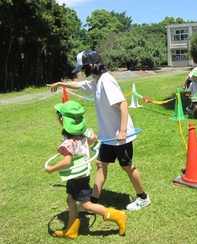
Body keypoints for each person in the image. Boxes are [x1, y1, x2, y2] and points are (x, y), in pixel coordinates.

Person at [48, 50, 151, 211]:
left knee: (127, 167)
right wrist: (61, 84)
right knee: (100, 165)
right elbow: (79, 85)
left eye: (83, 69)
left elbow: (123, 104)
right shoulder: (96, 81)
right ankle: (93, 201)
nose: (82, 72)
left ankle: (143, 197)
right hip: (107, 136)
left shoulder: (106, 81)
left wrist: (123, 130)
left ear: (90, 66)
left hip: (119, 136)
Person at [45, 101, 127, 238]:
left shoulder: (68, 143)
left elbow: (66, 161)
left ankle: (118, 216)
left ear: (62, 120)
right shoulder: (85, 133)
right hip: (81, 173)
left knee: (87, 205)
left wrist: (51, 169)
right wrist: (93, 141)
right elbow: (94, 137)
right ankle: (72, 230)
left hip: (78, 176)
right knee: (71, 200)